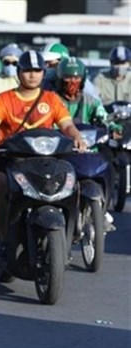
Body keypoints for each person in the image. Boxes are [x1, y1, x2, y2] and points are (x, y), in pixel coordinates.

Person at [0, 50, 86, 252]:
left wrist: (77, 137)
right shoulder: (4, 99)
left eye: (37, 70)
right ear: (19, 72)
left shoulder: (52, 99)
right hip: (12, 159)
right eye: (28, 70)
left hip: (47, 159)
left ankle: (73, 231)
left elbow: (67, 125)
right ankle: (5, 239)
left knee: (74, 182)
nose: (32, 75)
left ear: (43, 72)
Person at [54, 57, 117, 231]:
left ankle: (102, 209)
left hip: (89, 150)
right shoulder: (52, 100)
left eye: (76, 78)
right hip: (61, 151)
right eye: (67, 78)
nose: (72, 82)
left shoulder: (91, 101)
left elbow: (103, 117)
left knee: (109, 166)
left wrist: (113, 127)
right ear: (60, 79)